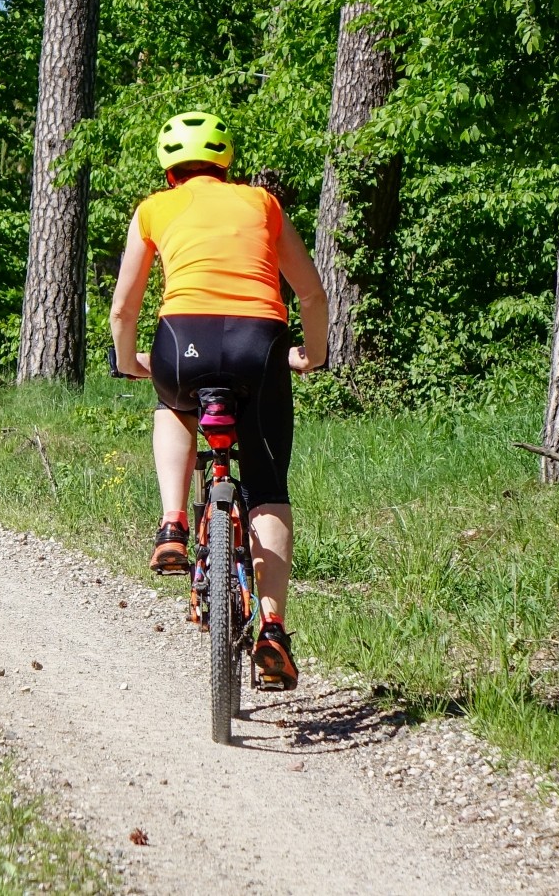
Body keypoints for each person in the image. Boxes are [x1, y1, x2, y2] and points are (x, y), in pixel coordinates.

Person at [107, 111, 329, 691]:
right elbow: (311, 292)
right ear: (226, 163)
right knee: (268, 485)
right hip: (261, 344)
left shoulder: (154, 209)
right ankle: (274, 629)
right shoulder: (261, 203)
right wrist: (313, 354)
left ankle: (174, 525)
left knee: (173, 404)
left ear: (169, 169)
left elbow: (123, 311)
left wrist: (129, 361)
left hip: (184, 342)